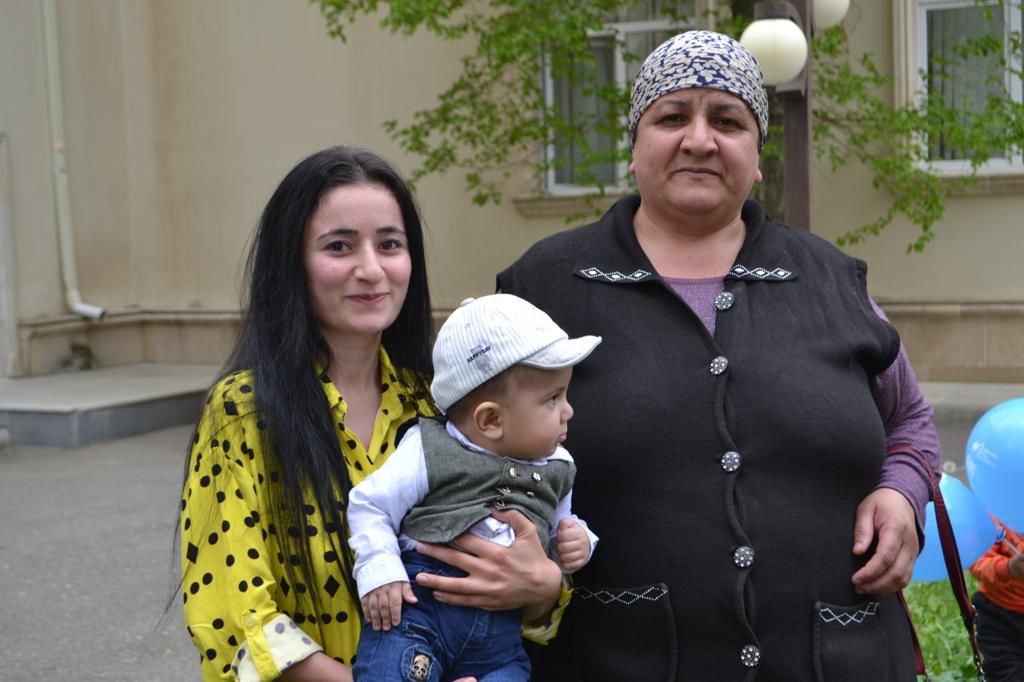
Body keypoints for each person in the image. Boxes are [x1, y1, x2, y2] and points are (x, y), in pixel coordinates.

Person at [496, 30, 943, 681]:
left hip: (837, 659)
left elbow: (909, 421)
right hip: (615, 659)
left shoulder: (829, 279)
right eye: (672, 117)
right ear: (634, 148)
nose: (700, 140)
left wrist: (902, 492)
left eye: (728, 121)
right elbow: (468, 447)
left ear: (756, 157)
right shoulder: (545, 286)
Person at [178, 147, 560, 682]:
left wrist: (543, 590)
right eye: (339, 246)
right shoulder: (243, 411)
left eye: (389, 244)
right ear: (292, 262)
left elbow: (512, 566)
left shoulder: (440, 403)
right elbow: (235, 620)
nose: (372, 269)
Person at [347, 293, 600, 681]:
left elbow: (556, 531)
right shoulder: (428, 449)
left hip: (498, 646)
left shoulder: (559, 466)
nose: (569, 410)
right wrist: (381, 570)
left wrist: (576, 540)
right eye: (553, 399)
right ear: (491, 420)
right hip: (418, 614)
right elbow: (371, 505)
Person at [970, 519, 1024, 681]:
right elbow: (978, 562)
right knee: (1007, 674)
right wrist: (1008, 568)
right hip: (999, 617)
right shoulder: (993, 517)